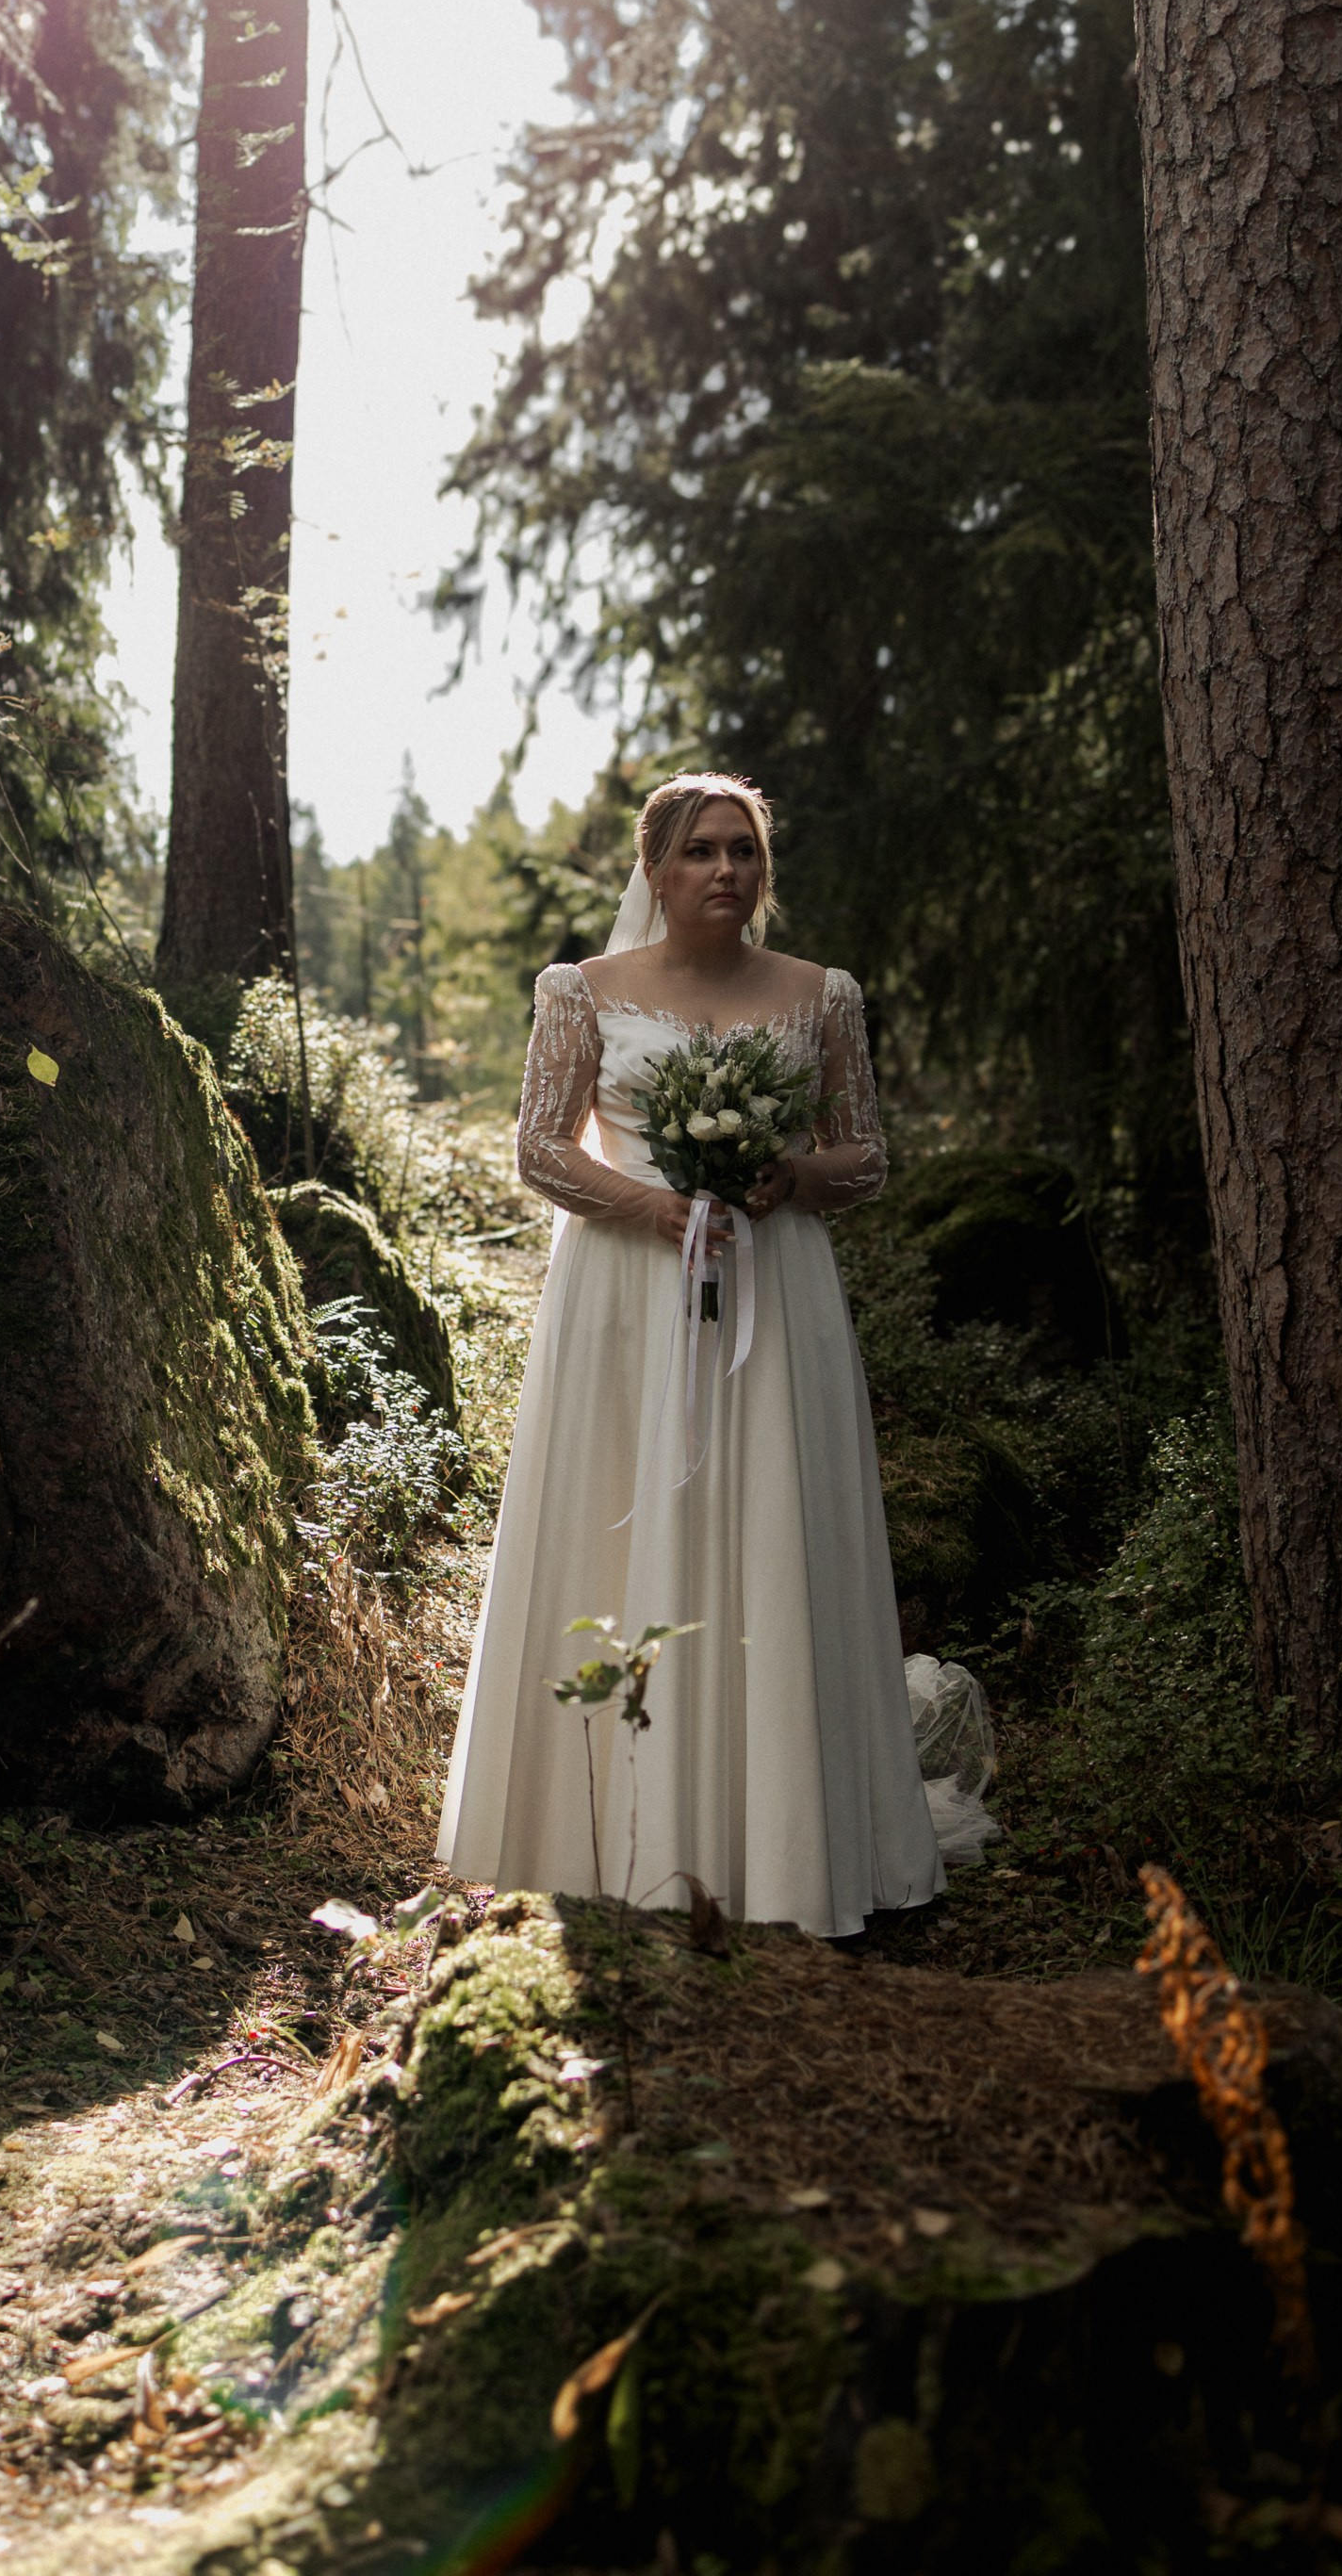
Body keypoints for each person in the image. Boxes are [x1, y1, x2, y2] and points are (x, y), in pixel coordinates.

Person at [437, 770, 948, 1938]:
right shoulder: (584, 991)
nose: (728, 870)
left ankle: (786, 1845)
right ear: (656, 872)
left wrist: (788, 1178)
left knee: (774, 1530)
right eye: (703, 852)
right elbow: (538, 1149)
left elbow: (863, 1155)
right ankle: (606, 1837)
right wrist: (649, 1206)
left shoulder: (823, 995)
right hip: (624, 1293)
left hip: (780, 1287)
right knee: (622, 1521)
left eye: (745, 853)